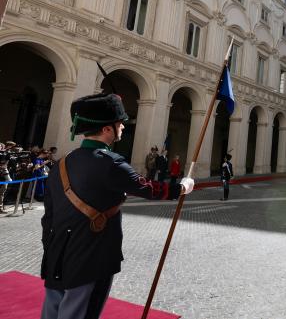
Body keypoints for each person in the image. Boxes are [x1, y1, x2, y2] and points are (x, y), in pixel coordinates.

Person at [40, 93, 194, 319]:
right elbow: (148, 188)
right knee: (80, 311)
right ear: (107, 129)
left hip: (57, 252)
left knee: (52, 310)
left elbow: (48, 216)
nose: (123, 125)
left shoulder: (62, 162)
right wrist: (182, 187)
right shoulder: (110, 162)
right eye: (119, 122)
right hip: (91, 254)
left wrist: (51, 247)